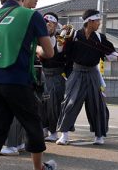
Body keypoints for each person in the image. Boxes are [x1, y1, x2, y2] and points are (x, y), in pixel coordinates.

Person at [0, 0, 56, 170]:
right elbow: (49, 52)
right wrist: (36, 50)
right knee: (32, 124)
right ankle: (39, 168)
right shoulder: (30, 15)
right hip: (16, 79)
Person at [56, 9, 118, 146]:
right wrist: (62, 35)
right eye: (97, 20)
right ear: (90, 22)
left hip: (93, 74)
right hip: (76, 73)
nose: (99, 23)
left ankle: (99, 135)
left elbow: (111, 54)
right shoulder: (73, 35)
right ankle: (64, 135)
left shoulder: (99, 38)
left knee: (97, 104)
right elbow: (59, 50)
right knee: (70, 103)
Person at [0, 0, 39, 156]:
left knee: (27, 113)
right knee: (14, 112)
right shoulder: (19, 15)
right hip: (11, 70)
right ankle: (11, 144)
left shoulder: (31, 15)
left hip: (26, 71)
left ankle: (20, 142)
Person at [41, 12, 67, 142]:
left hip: (56, 75)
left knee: (54, 104)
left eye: (50, 23)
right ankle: (44, 128)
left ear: (55, 25)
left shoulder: (60, 37)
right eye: (45, 23)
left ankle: (54, 131)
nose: (47, 26)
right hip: (43, 74)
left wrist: (62, 34)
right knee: (42, 103)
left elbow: (59, 49)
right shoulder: (40, 37)